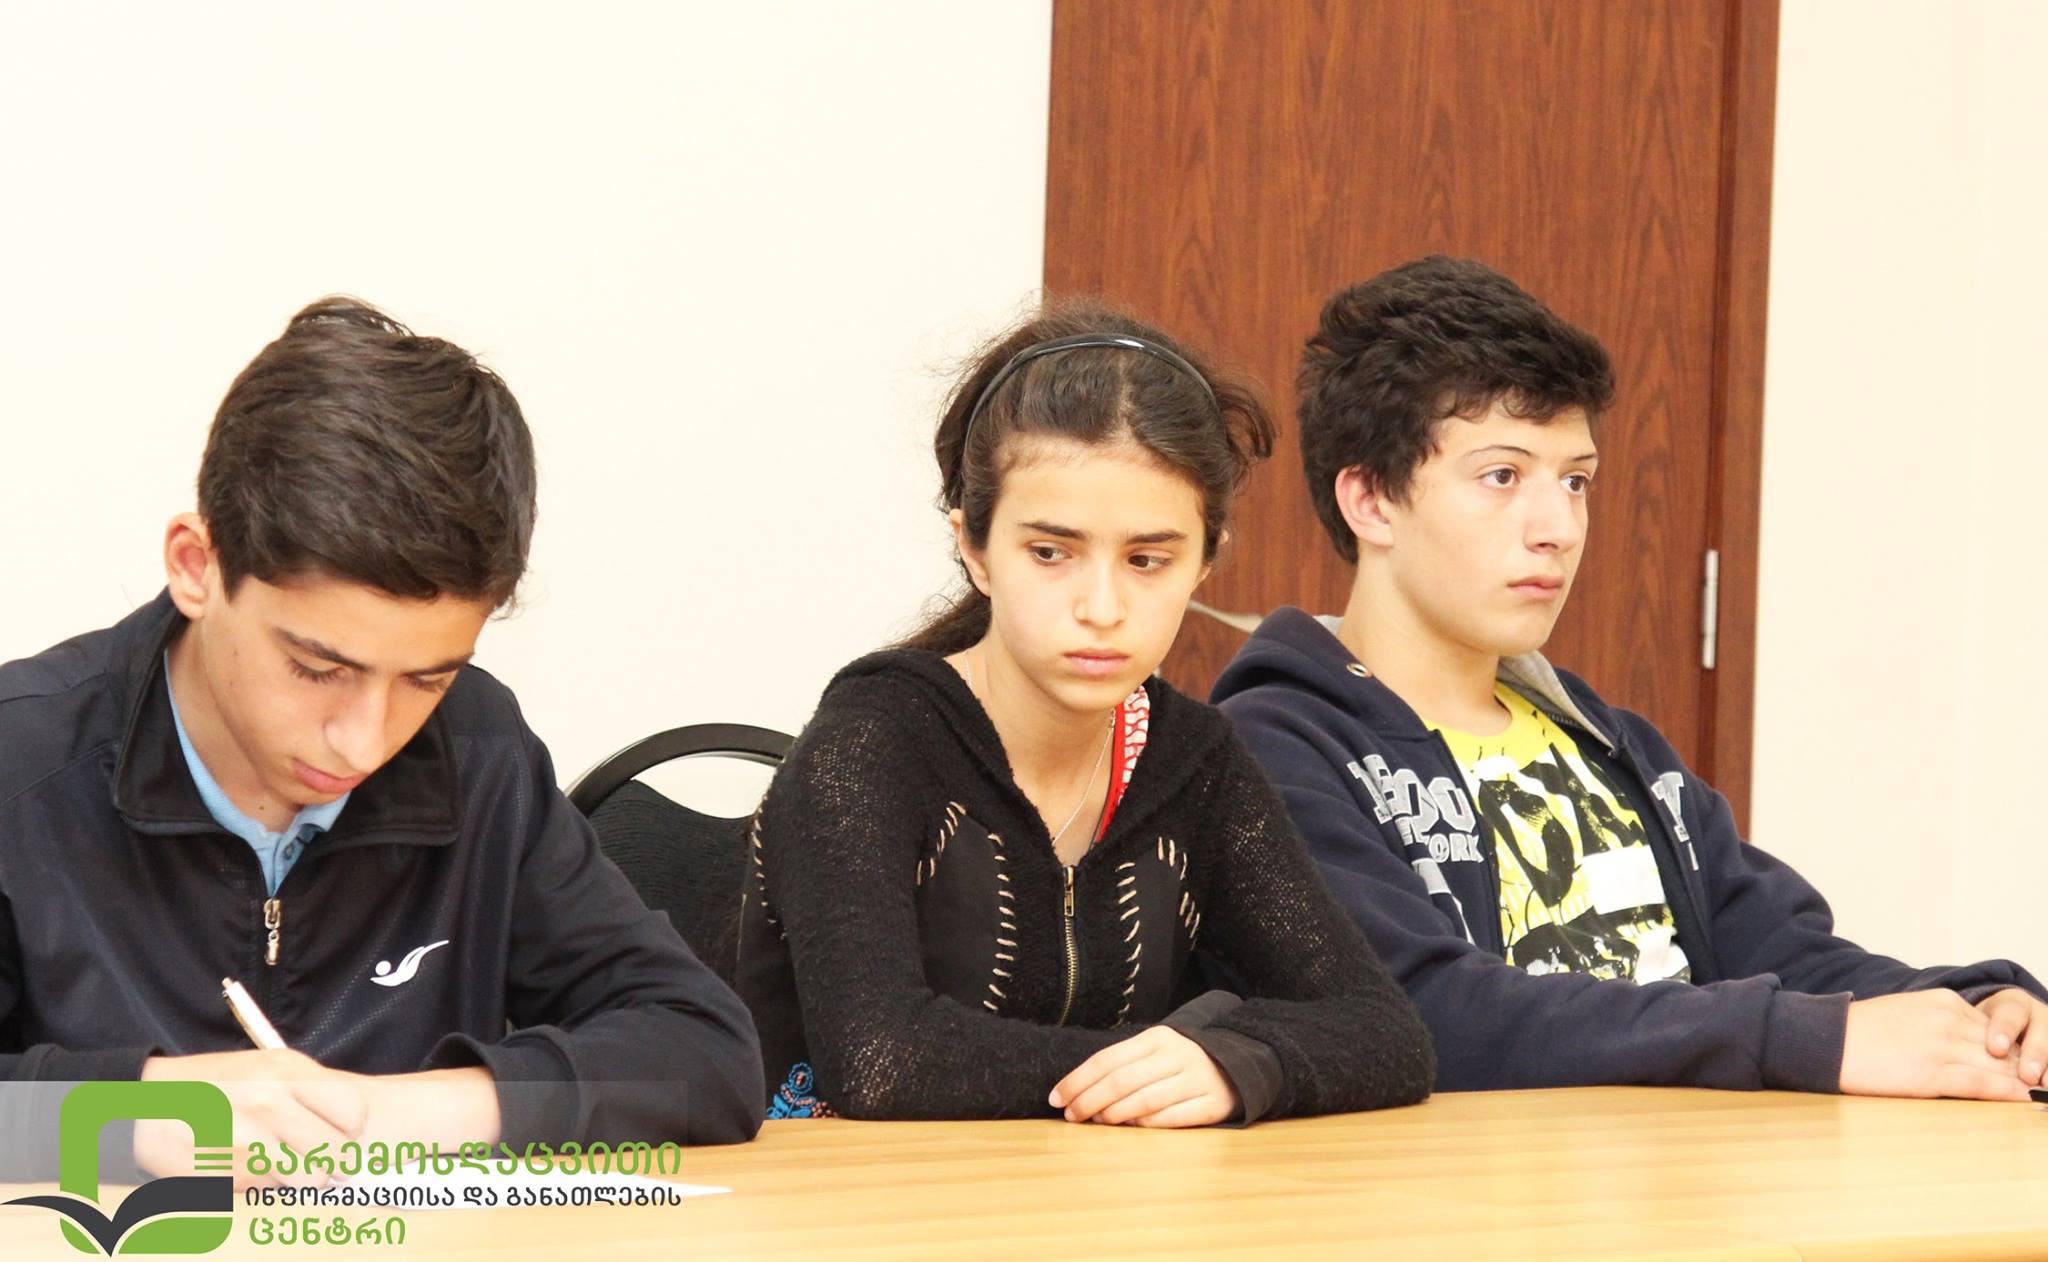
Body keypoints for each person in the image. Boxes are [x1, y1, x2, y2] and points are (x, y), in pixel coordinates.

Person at [1212, 255, 2048, 1099]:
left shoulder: (1611, 745)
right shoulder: (1276, 747)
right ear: (1371, 502)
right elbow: (1422, 1015)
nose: (1558, 527)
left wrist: (1978, 1007)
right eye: (1502, 476)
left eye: (1575, 480)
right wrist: (1799, 1038)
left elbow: (1785, 954)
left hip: (1692, 1169)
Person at [0, 298, 762, 1182]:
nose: (364, 744)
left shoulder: (478, 752)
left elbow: (704, 1047)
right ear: (197, 567)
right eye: (317, 668)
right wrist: (128, 1118)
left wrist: (400, 1113)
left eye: (426, 680)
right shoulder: (23, 764)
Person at [734, 301, 1434, 1126]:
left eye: (1148, 559)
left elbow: (1386, 1032)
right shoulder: (873, 740)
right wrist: (1165, 1056)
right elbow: (881, 1059)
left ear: (1205, 562)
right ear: (975, 548)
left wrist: (1237, 1061)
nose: (1101, 607)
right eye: (1050, 552)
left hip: (1075, 1191)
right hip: (841, 1192)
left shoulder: (1192, 762)